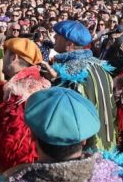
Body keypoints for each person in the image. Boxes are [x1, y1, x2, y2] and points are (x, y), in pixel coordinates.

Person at [0, 38, 51, 172]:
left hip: (13, 170)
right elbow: (1, 87)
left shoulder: (18, 92)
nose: (2, 59)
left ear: (14, 57)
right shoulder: (35, 82)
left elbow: (12, 143)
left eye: (5, 54)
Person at [42, 20, 116, 149]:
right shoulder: (100, 66)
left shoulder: (69, 72)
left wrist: (53, 81)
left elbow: (65, 115)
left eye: (58, 36)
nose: (54, 37)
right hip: (107, 142)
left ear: (69, 44)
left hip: (84, 147)